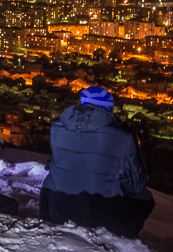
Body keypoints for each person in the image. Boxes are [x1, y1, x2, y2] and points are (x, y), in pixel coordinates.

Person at [39, 85, 155, 238]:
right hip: (101, 219)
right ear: (108, 109)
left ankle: (49, 222)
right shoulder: (122, 137)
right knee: (144, 197)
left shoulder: (57, 128)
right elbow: (135, 185)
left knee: (50, 180)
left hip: (59, 211)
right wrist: (137, 147)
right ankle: (122, 238)